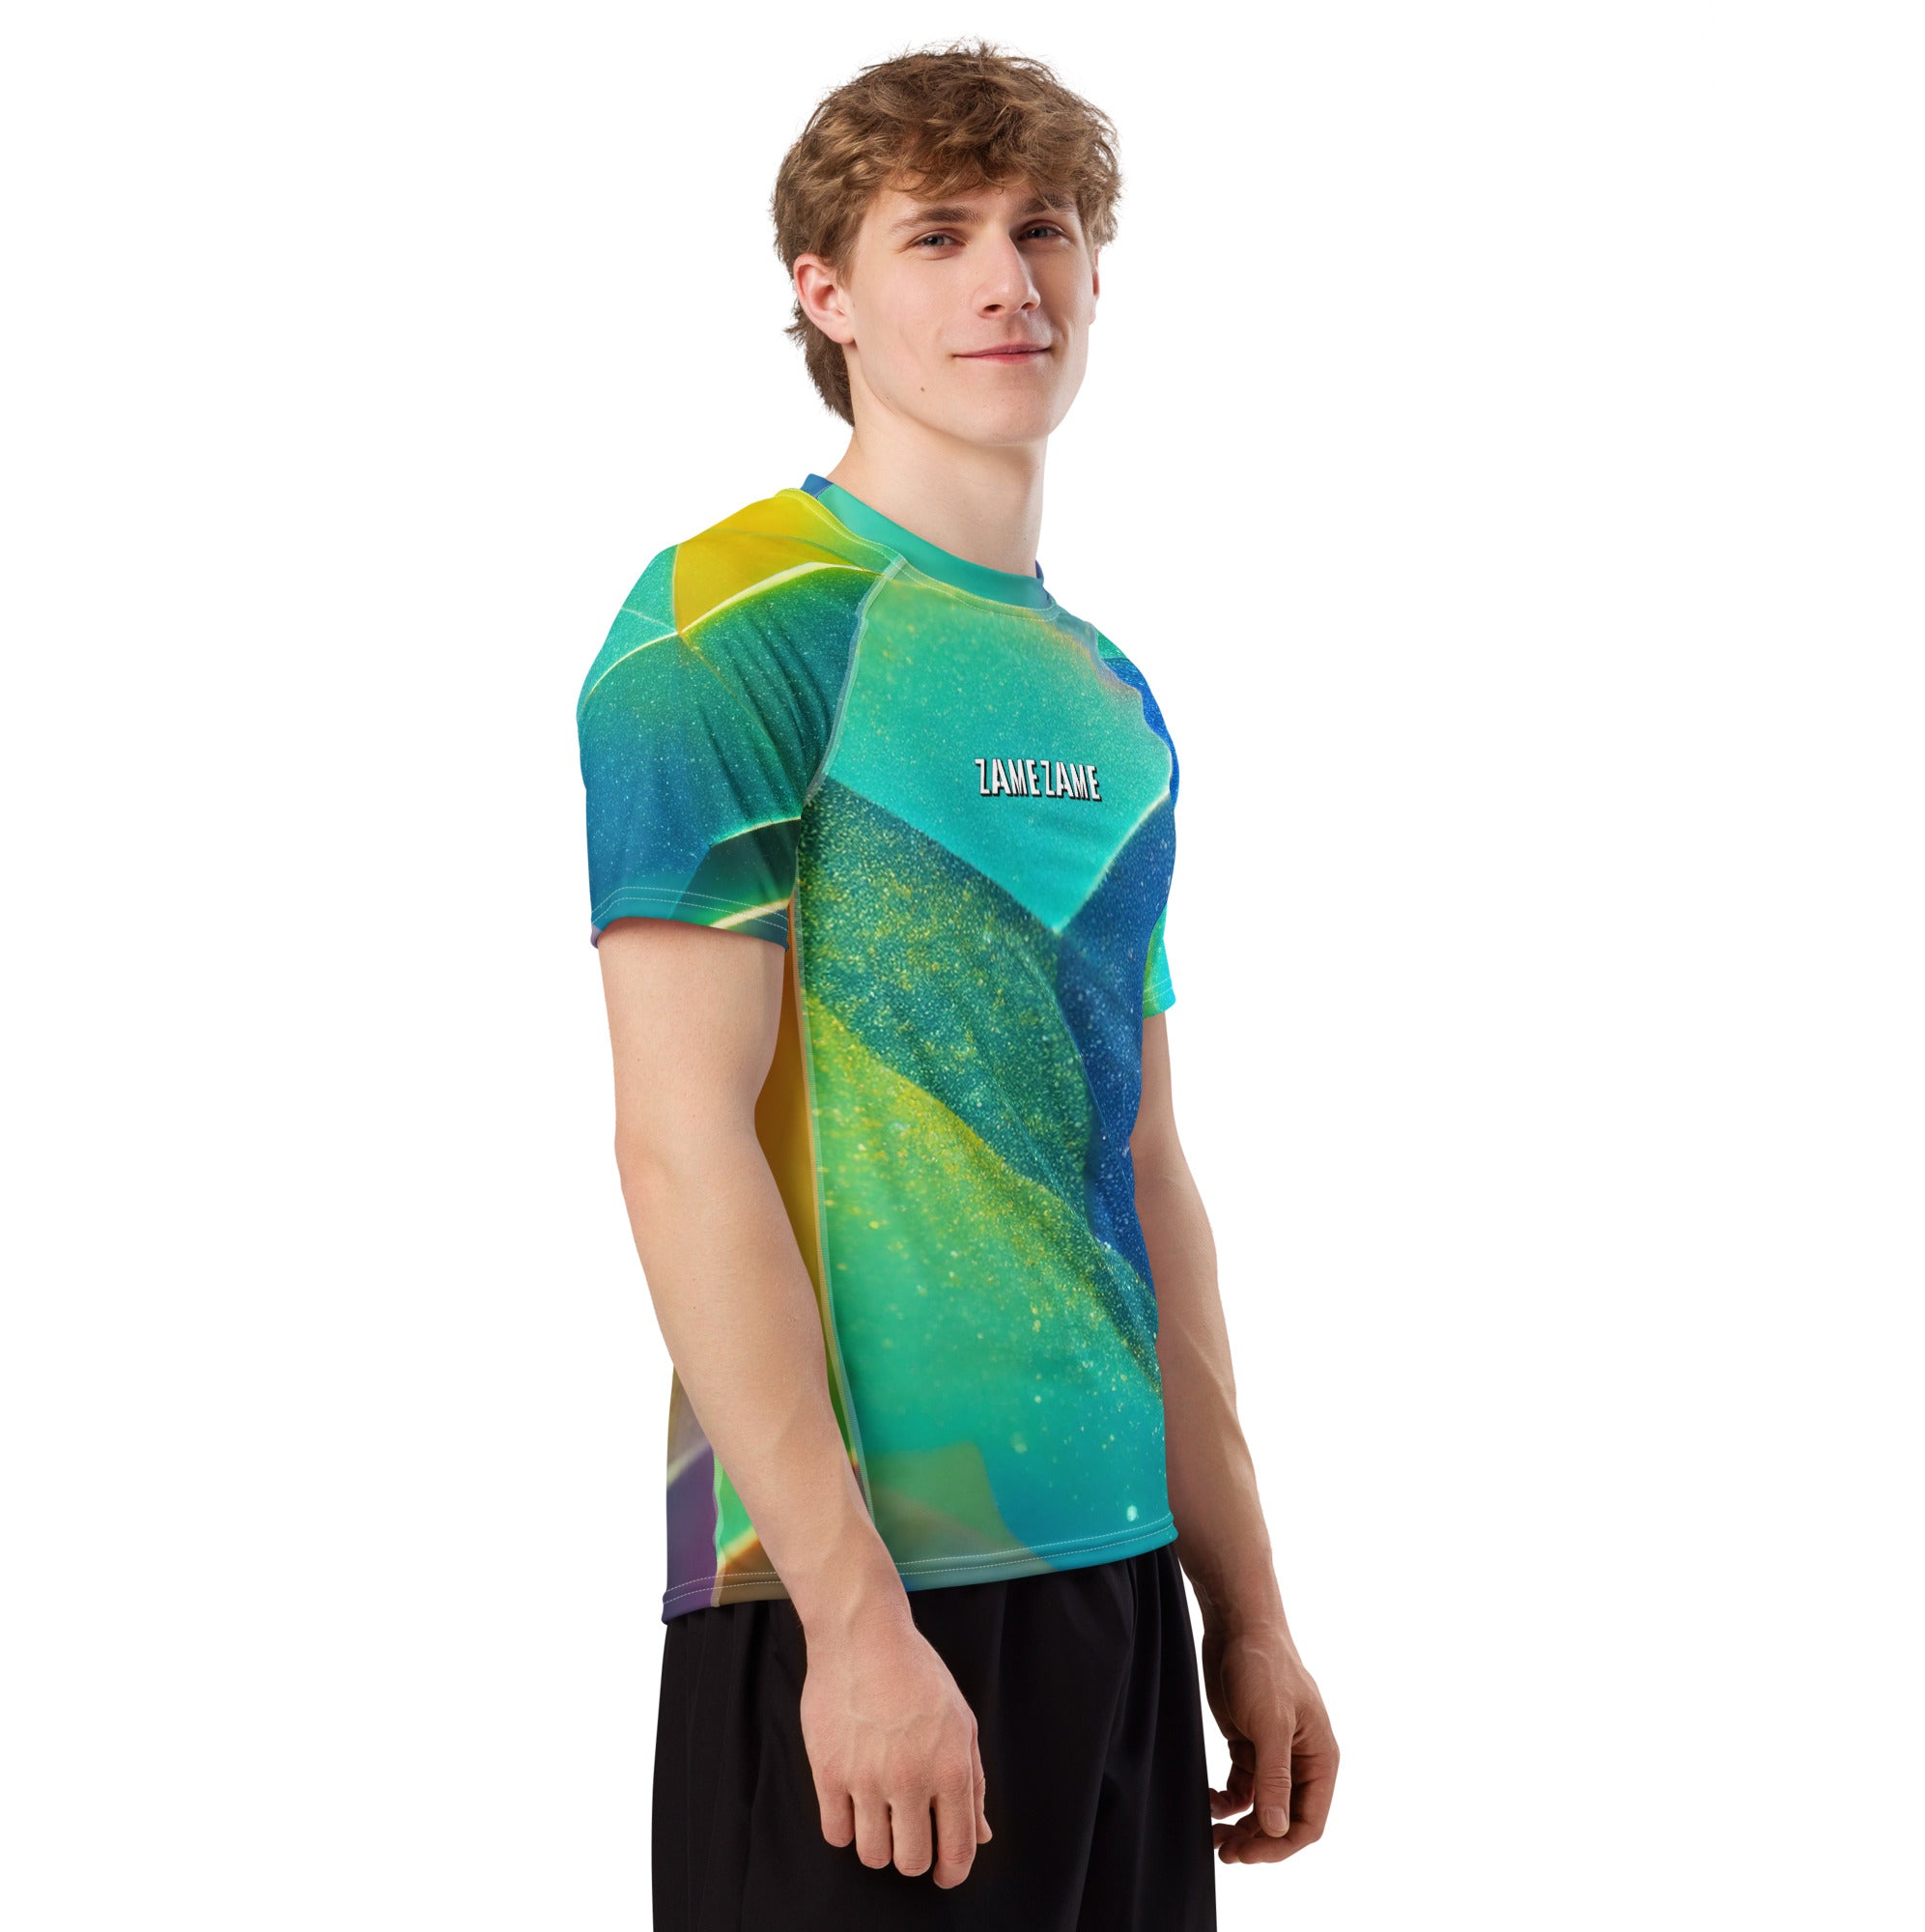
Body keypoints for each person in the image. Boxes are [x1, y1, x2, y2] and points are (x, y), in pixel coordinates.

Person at [577, 39, 1337, 1930]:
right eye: (938, 235)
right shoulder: (732, 621)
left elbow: (1141, 1169)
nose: (1011, 278)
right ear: (825, 295)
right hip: (845, 1595)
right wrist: (852, 1620)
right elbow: (680, 1143)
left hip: (1119, 1584)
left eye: (1044, 228)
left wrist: (1245, 1604)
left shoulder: (1105, 690)